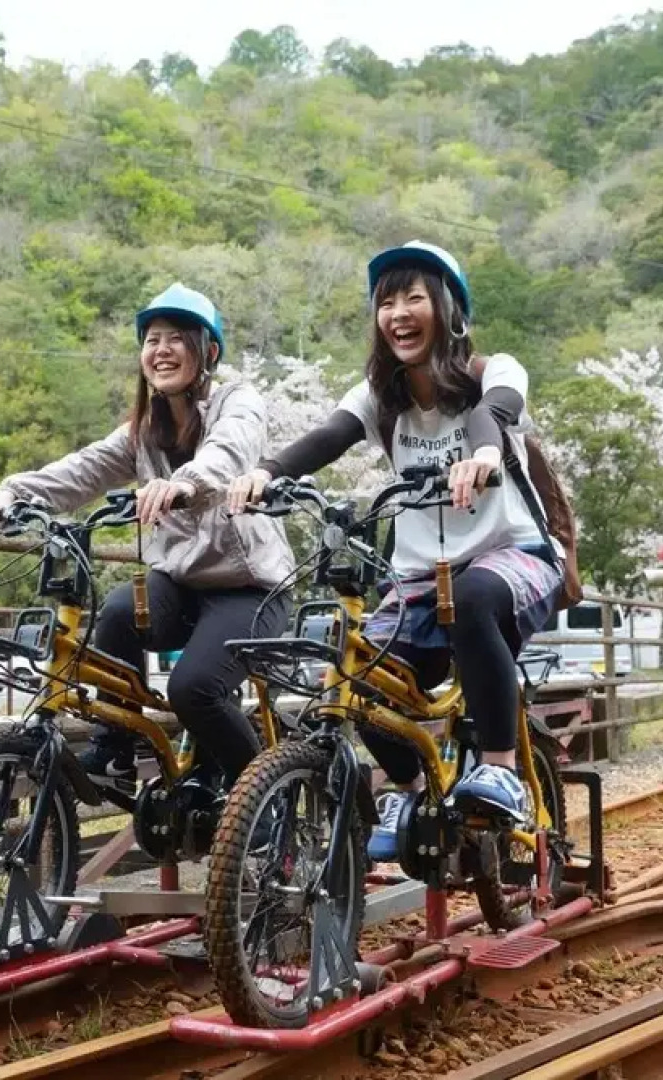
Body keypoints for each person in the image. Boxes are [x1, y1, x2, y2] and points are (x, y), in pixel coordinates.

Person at [226, 242, 566, 861]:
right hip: (418, 573)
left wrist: (485, 454)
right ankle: (408, 791)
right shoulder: (380, 397)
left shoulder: (496, 370)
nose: (399, 313)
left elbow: (497, 410)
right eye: (387, 301)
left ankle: (500, 769)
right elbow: (330, 434)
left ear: (450, 309)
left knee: (471, 598)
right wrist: (268, 472)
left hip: (511, 554)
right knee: (352, 660)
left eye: (415, 297)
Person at [0, 283, 294, 798]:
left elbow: (230, 450)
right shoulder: (143, 431)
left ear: (208, 350)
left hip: (252, 589)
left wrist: (187, 481)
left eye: (176, 338)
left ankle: (262, 800)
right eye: (151, 340)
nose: (160, 350)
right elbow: (80, 471)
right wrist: (10, 494)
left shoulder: (239, 401)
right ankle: (116, 746)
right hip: (181, 586)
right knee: (117, 614)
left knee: (194, 690)